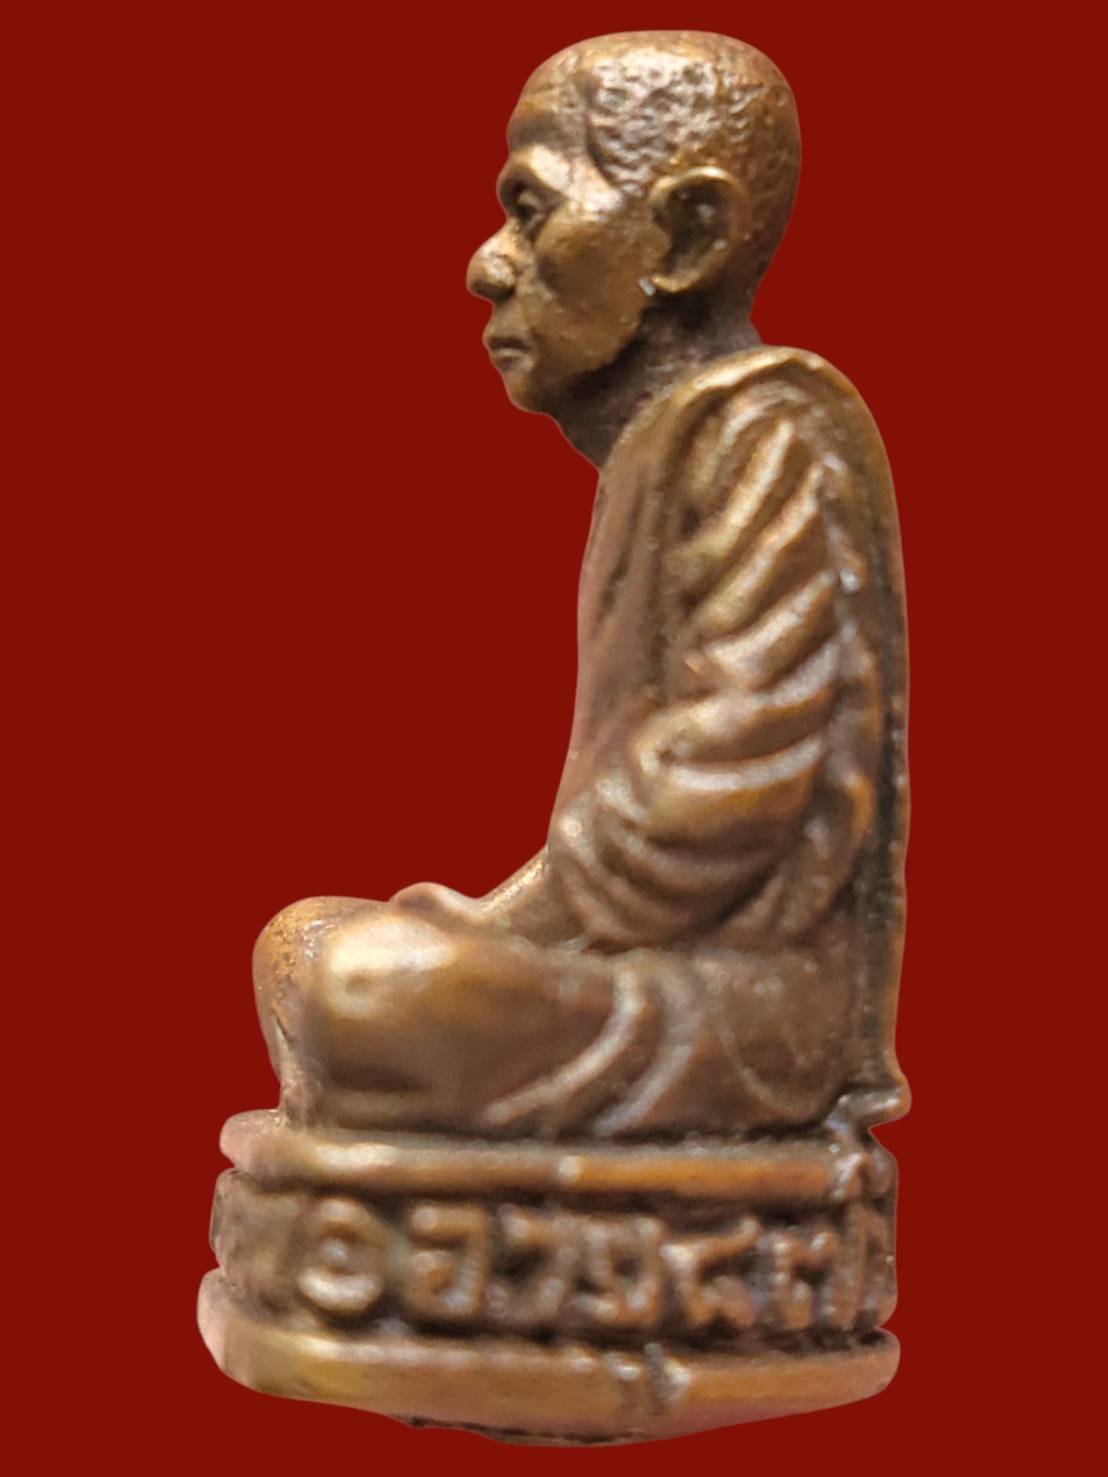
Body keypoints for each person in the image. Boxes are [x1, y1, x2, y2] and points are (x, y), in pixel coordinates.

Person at [253, 31, 907, 1139]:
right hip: (624, 970)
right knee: (301, 941)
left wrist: (493, 937)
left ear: (685, 237)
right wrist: (487, 934)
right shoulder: (669, 451)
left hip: (743, 1012)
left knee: (364, 988)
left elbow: (720, 792)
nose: (488, 262)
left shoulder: (777, 434)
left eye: (532, 210)